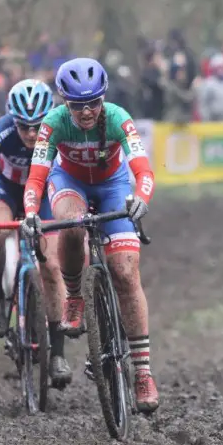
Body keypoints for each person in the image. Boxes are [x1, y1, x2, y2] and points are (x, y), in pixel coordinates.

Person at [21, 58, 159, 412]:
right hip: (69, 182)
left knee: (126, 272)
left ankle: (142, 372)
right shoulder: (52, 124)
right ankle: (74, 295)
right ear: (65, 102)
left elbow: (143, 170)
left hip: (113, 186)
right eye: (78, 105)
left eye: (93, 103)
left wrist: (141, 200)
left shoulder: (117, 118)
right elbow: (37, 177)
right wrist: (33, 213)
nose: (86, 112)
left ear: (103, 98)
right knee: (68, 222)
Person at [0, 79, 72, 387]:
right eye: (23, 126)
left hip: (41, 195)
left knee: (52, 266)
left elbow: (73, 174)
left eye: (36, 127)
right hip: (6, 191)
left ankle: (58, 352)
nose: (29, 133)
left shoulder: (59, 131)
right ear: (13, 120)